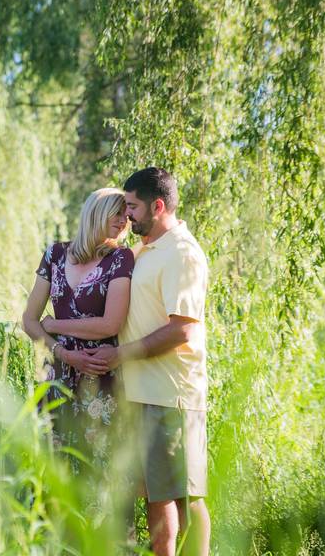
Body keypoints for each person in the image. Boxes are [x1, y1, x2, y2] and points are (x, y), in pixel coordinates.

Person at [88, 167, 210, 556]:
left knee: (183, 496)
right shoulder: (145, 250)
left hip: (170, 395)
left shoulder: (182, 253)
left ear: (158, 206)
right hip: (142, 393)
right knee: (162, 495)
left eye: (133, 207)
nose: (128, 216)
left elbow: (182, 331)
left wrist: (120, 355)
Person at [20, 188, 135, 514]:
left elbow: (110, 324)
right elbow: (29, 320)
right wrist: (61, 352)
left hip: (100, 381)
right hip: (57, 379)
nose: (124, 222)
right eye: (117, 213)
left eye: (127, 215)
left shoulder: (120, 258)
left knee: (102, 474)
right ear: (96, 213)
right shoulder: (55, 254)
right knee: (54, 473)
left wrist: (56, 326)